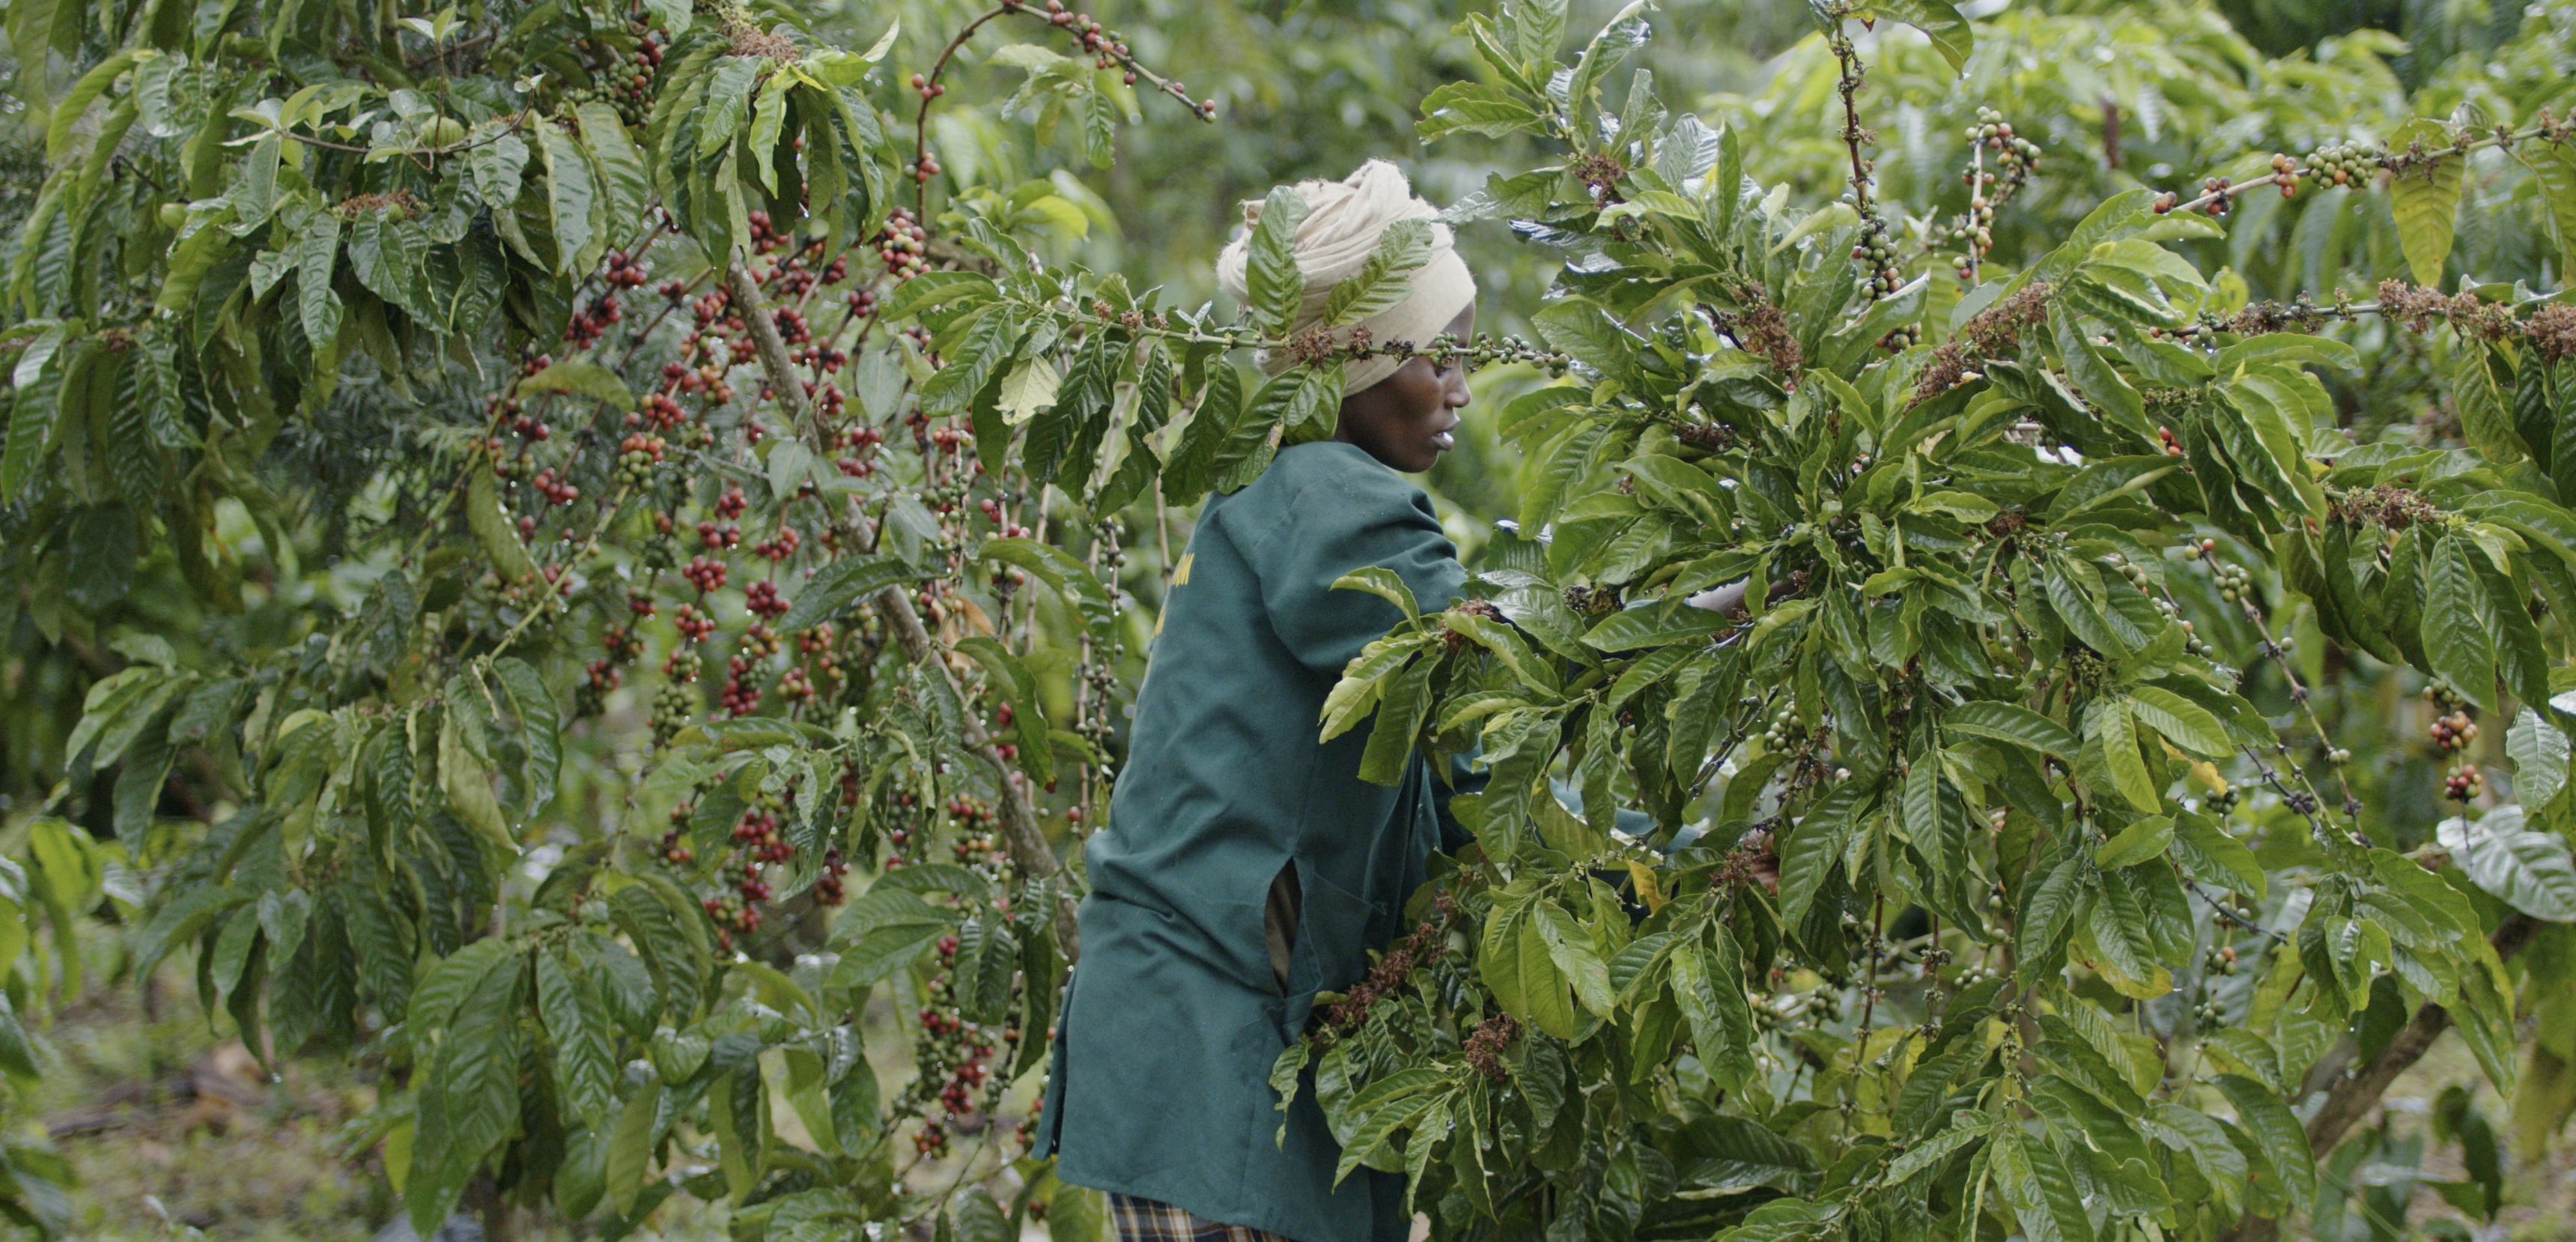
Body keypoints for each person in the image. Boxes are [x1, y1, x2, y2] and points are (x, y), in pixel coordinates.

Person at [1033, 160, 1482, 1242]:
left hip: (1189, 1053)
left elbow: (1456, 783)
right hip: (1209, 1063)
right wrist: (1709, 612)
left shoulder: (1276, 501)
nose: (1462, 384)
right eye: (1438, 352)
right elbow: (1496, 699)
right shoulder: (1337, 506)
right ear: (1358, 366)